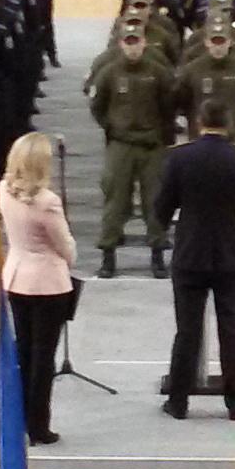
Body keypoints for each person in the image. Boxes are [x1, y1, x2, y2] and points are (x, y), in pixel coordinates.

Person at [154, 99, 235, 420]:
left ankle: (178, 400)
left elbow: (162, 207)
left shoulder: (179, 157)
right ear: (228, 123)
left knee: (187, 330)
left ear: (198, 122)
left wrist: (167, 230)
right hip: (230, 254)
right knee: (231, 329)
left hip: (190, 253)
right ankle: (234, 401)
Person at [0, 133, 78, 446]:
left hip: (17, 277)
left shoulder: (4, 189)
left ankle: (18, 417)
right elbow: (64, 246)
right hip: (47, 283)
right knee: (44, 357)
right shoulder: (47, 202)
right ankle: (39, 424)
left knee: (24, 350)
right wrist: (72, 252)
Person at [85, 25, 179, 279]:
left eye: (136, 41)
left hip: (152, 146)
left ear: (143, 42)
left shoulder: (159, 72)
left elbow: (170, 106)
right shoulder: (109, 73)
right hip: (121, 144)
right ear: (121, 44)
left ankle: (158, 253)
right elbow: (97, 105)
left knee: (156, 200)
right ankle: (108, 255)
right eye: (128, 42)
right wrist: (112, 128)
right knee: (115, 199)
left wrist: (163, 136)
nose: (132, 47)